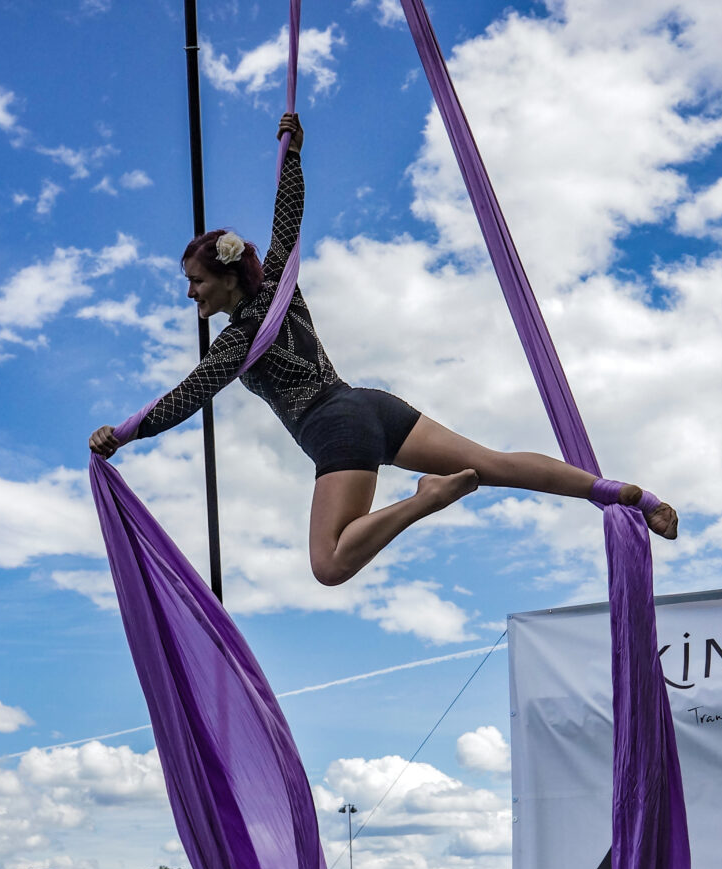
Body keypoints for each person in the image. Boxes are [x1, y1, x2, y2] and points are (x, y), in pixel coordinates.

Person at [90, 112, 677, 587]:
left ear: (226, 279)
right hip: (372, 405)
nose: (190, 293)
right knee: (496, 465)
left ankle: (425, 499)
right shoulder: (280, 289)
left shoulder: (238, 339)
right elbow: (287, 219)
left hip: (335, 428)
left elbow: (187, 396)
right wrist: (291, 152)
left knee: (329, 564)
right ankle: (629, 495)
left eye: (196, 281)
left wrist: (122, 432)